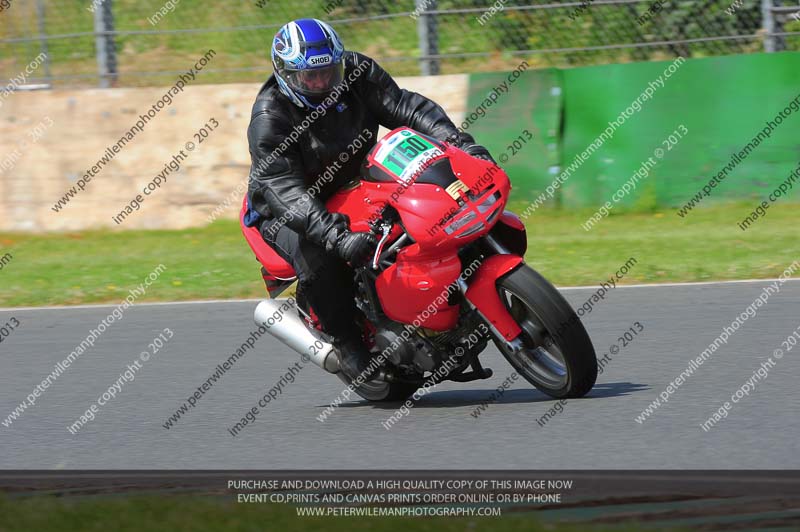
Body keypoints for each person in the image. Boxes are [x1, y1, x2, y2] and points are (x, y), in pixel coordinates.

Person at [246, 18, 494, 380]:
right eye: (309, 77)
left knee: (428, 199)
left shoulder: (356, 72)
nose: (321, 83)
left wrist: (459, 145)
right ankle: (347, 343)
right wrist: (335, 236)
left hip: (354, 181)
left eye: (328, 72)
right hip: (286, 208)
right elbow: (283, 188)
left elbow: (407, 108)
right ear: (285, 74)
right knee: (318, 251)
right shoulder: (270, 117)